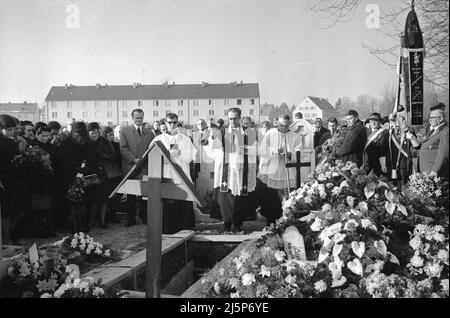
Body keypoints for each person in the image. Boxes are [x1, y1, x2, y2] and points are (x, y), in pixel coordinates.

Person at [210, 108, 258, 232]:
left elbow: (255, 149)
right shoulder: (222, 132)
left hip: (241, 169)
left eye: (234, 118)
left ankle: (238, 224)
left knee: (240, 198)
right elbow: (213, 149)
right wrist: (213, 138)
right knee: (226, 198)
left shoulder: (249, 132)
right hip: (227, 170)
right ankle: (226, 224)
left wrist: (242, 150)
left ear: (240, 118)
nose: (232, 121)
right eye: (230, 118)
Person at [150, 113, 197, 234]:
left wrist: (180, 152)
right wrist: (169, 156)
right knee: (168, 203)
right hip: (167, 174)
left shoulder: (184, 138)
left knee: (183, 202)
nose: (172, 125)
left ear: (178, 123)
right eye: (169, 122)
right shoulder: (158, 139)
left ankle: (186, 230)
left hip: (182, 174)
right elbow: (152, 157)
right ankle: (168, 231)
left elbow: (191, 156)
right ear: (164, 123)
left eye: (174, 122)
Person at [54, 122, 104, 233]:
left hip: (86, 177)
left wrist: (86, 168)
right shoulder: (64, 145)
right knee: (72, 203)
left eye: (82, 135)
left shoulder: (89, 143)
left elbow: (94, 159)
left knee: (84, 203)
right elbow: (61, 163)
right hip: (69, 177)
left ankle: (82, 224)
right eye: (77, 134)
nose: (79, 137)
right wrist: (76, 170)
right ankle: (73, 226)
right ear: (72, 133)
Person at [257, 115, 302, 226]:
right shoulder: (270, 134)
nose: (283, 128)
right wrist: (275, 150)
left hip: (286, 170)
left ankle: (285, 223)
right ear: (277, 123)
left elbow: (299, 150)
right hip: (272, 170)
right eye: (281, 125)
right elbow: (262, 149)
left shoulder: (295, 136)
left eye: (286, 126)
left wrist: (291, 154)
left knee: (286, 198)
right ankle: (270, 222)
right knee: (271, 198)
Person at [120, 109, 154, 226]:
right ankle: (131, 218)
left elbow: (152, 149)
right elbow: (123, 148)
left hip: (144, 167)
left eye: (140, 118)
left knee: (144, 194)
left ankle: (145, 217)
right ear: (132, 118)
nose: (139, 120)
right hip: (131, 167)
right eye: (136, 118)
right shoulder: (125, 131)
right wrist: (133, 159)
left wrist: (145, 162)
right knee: (131, 194)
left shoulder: (149, 133)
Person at [0, 114, 30, 244]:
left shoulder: (11, 141)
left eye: (13, 129)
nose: (12, 132)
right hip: (3, 180)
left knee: (19, 209)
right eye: (9, 129)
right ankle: (6, 239)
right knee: (6, 212)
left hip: (14, 178)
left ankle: (10, 235)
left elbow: (17, 157)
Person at [86, 122, 116, 229]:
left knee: (104, 198)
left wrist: (104, 157)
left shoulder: (105, 142)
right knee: (93, 199)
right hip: (90, 173)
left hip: (103, 172)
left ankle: (103, 220)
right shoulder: (86, 143)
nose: (95, 135)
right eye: (92, 133)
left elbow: (112, 156)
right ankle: (91, 220)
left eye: (96, 132)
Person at [387, 113, 420, 186]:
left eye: (398, 121)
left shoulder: (408, 132)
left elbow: (417, 146)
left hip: (404, 165)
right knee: (393, 187)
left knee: (405, 187)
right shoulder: (387, 133)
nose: (396, 124)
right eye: (393, 121)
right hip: (391, 165)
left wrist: (408, 132)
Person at [418, 105, 449, 179]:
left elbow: (443, 154)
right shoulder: (433, 130)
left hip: (434, 172)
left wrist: (435, 170)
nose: (430, 120)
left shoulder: (445, 132)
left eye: (432, 118)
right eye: (429, 117)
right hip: (426, 170)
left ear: (441, 118)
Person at [102, 126, 122, 224]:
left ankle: (113, 215)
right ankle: (105, 216)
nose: (112, 137)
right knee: (107, 196)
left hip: (115, 173)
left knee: (115, 195)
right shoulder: (102, 145)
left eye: (112, 135)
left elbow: (118, 157)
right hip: (106, 173)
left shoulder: (116, 145)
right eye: (109, 135)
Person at [191, 119, 214, 198]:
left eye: (202, 123)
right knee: (196, 177)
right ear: (196, 126)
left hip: (207, 160)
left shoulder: (210, 133)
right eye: (198, 124)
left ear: (205, 124)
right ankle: (199, 195)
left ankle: (208, 195)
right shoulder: (194, 134)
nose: (200, 125)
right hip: (197, 160)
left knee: (207, 178)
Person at [362, 113, 389, 177]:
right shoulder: (366, 132)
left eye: (375, 121)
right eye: (371, 121)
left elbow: (383, 149)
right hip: (367, 162)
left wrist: (383, 165)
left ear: (380, 122)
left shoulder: (384, 133)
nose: (373, 123)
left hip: (377, 163)